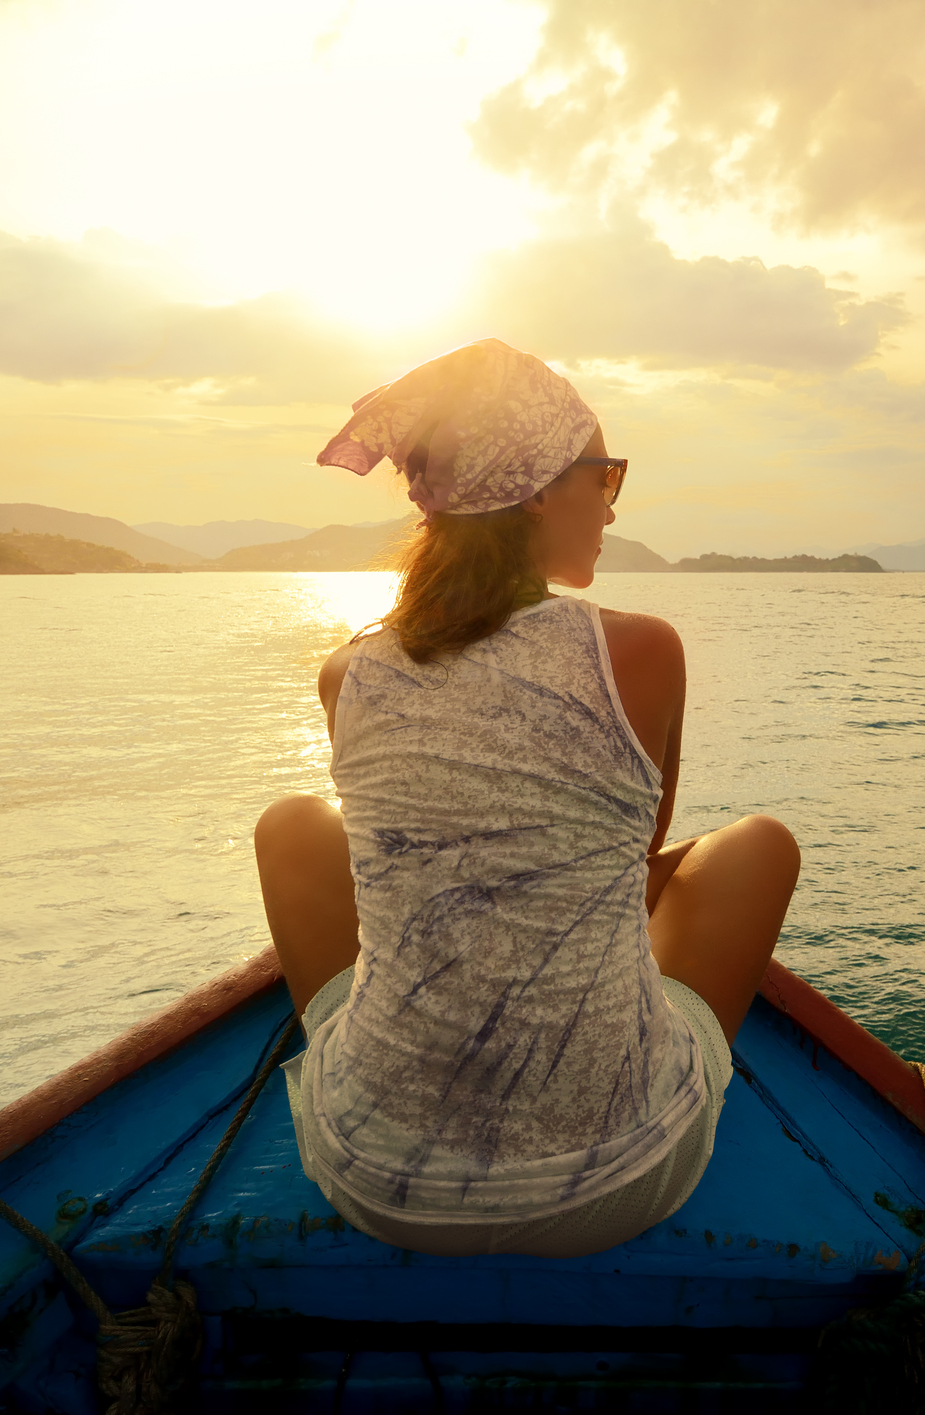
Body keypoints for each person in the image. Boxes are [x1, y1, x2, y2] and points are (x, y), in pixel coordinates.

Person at [254, 338, 800, 1259]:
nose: (615, 503)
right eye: (607, 474)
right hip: (617, 1180)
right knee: (759, 846)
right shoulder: (640, 650)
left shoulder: (348, 672)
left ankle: (365, 1066)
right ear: (542, 487)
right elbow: (633, 863)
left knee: (290, 824)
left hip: (374, 1179)